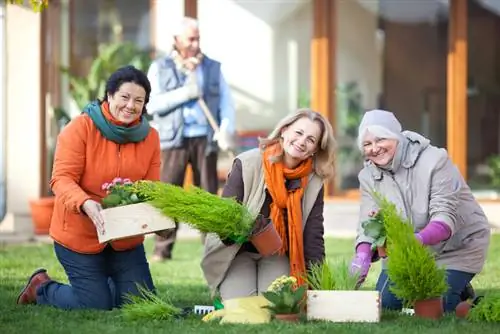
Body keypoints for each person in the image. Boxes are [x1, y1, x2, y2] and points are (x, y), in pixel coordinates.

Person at [16, 66, 161, 310]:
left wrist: (158, 218)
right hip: (79, 235)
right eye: (124, 97)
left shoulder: (151, 137)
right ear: (110, 95)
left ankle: (108, 285)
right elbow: (61, 179)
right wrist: (84, 202)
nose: (130, 105)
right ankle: (41, 287)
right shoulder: (80, 128)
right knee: (95, 305)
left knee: (139, 303)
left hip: (124, 237)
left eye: (139, 100)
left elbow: (150, 187)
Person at [351, 109, 491, 312]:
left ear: (396, 136)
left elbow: (445, 215)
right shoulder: (368, 176)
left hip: (456, 247)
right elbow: (368, 220)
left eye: (381, 139)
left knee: (435, 305)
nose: (374, 149)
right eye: (367, 144)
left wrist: (416, 240)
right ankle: (457, 288)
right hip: (407, 254)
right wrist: (362, 255)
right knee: (388, 303)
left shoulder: (435, 160)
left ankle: (459, 291)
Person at [201, 109, 337, 300]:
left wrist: (318, 286)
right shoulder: (247, 163)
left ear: (315, 149)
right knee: (241, 308)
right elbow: (224, 223)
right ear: (284, 131)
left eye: (311, 139)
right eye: (298, 133)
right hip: (237, 252)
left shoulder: (313, 181)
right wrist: (247, 227)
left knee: (274, 306)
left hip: (277, 254)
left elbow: (312, 235)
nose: (302, 142)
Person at [147, 16, 236, 261]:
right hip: (172, 140)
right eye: (191, 38)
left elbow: (227, 103)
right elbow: (152, 104)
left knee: (206, 195)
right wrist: (184, 93)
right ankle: (162, 250)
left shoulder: (212, 67)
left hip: (204, 138)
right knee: (169, 195)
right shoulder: (160, 67)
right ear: (176, 40)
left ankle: (211, 249)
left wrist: (225, 129)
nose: (196, 44)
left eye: (198, 38)